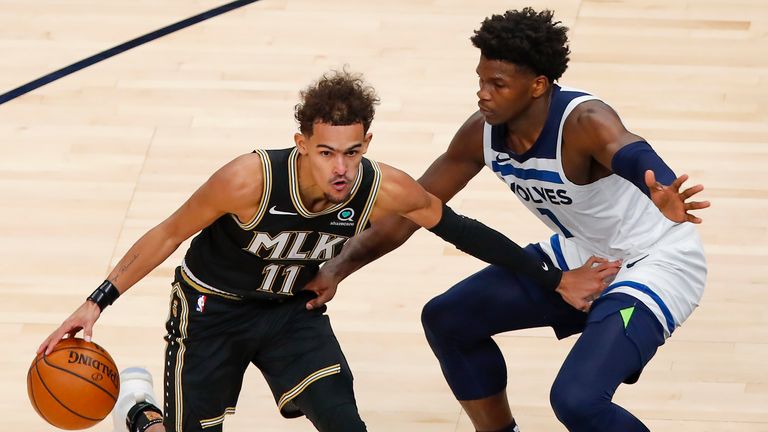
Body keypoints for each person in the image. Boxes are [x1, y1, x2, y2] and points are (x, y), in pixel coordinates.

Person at [37, 69, 617, 432]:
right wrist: (96, 303)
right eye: (325, 153)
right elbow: (167, 233)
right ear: (301, 145)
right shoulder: (249, 179)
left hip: (292, 314)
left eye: (352, 151)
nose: (340, 169)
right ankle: (141, 411)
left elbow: (461, 229)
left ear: (367, 143)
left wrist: (552, 281)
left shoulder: (381, 186)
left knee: (346, 423)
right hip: (211, 313)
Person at [303, 8, 710, 432]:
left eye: (497, 84)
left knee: (578, 400)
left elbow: (627, 147)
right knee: (448, 319)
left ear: (537, 85)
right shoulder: (481, 133)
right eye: (480, 80)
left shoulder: (584, 121)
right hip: (583, 250)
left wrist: (660, 184)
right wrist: (337, 268)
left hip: (657, 262)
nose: (483, 94)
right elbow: (409, 213)